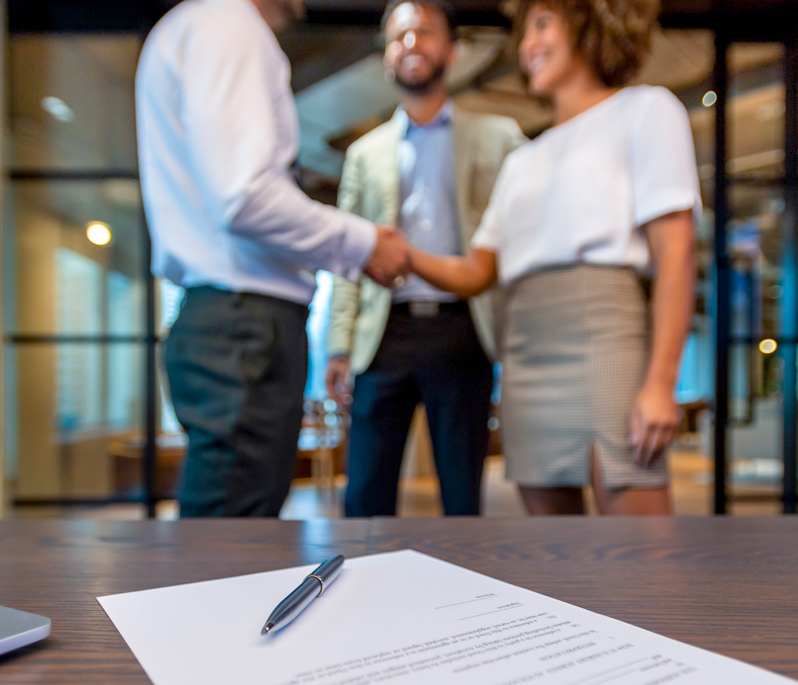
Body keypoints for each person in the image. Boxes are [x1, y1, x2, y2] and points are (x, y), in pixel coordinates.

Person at [409, 0, 701, 515]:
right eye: (525, 33)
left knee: (642, 565)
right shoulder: (522, 160)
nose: (527, 47)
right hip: (524, 356)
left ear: (591, 25)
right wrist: (391, 251)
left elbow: (675, 252)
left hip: (604, 341)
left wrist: (660, 383)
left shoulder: (646, 110)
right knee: (553, 559)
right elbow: (477, 271)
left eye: (543, 25)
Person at [136, 0, 409, 518]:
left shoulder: (197, 25)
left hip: (231, 323)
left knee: (230, 530)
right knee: (229, 547)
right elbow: (246, 197)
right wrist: (364, 242)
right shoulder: (228, 25)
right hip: (245, 326)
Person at [325, 0, 526, 517]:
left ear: (453, 51)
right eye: (399, 37)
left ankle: (466, 597)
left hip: (464, 329)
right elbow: (348, 257)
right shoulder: (363, 154)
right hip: (383, 332)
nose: (411, 43)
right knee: (365, 496)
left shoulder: (499, 137)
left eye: (425, 33)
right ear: (387, 57)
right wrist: (337, 347)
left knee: (462, 495)